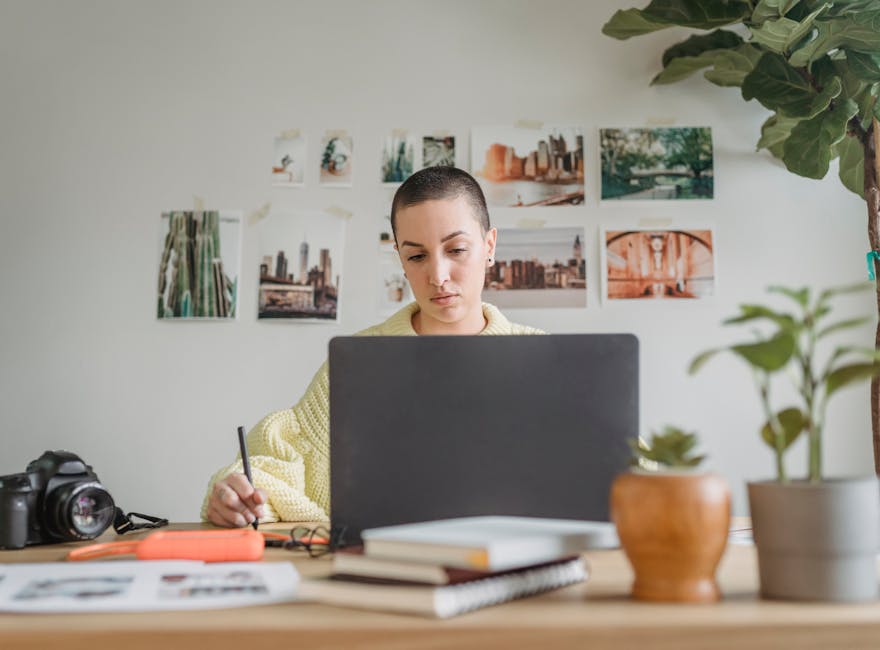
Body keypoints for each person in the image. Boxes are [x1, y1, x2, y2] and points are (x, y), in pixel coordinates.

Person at [202, 166, 543, 527]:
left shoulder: (542, 359)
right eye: (416, 257)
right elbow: (283, 461)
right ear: (400, 258)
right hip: (387, 569)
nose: (438, 276)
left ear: (489, 246)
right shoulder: (358, 362)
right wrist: (236, 493)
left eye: (456, 249)